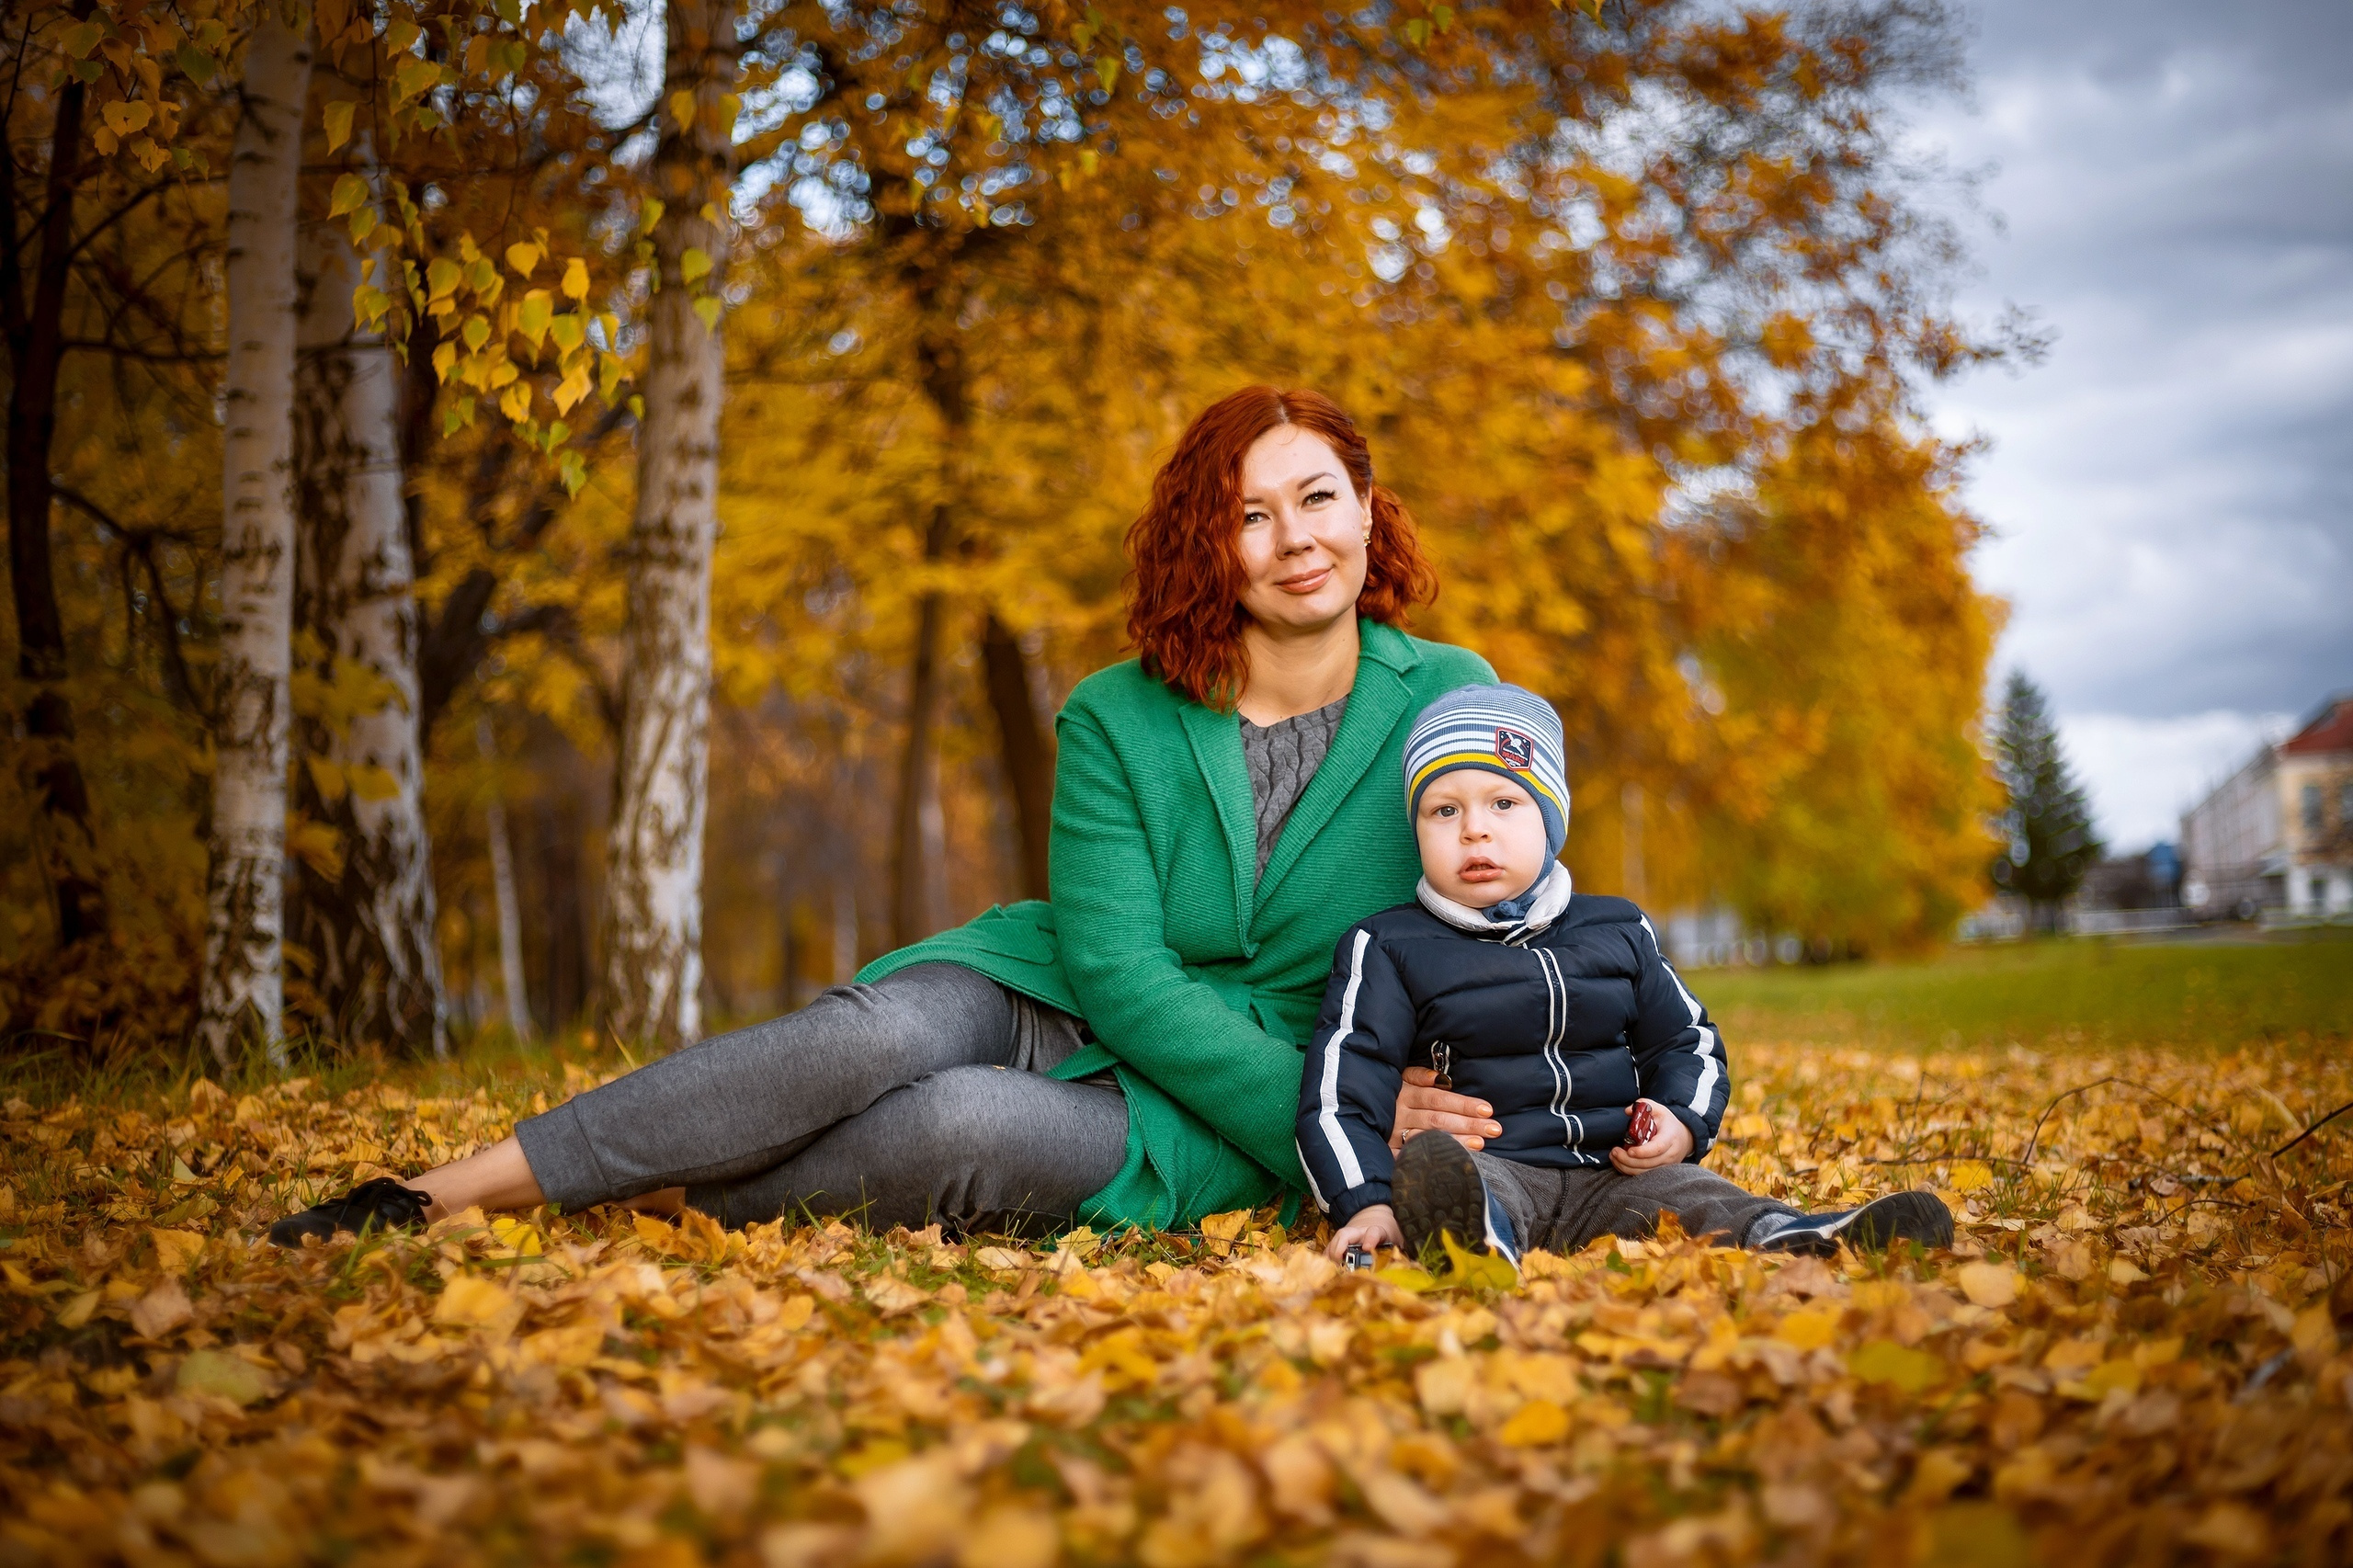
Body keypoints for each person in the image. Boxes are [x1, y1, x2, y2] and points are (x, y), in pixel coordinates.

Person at [269, 386, 1510, 1247]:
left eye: (1318, 499)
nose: (1294, 539)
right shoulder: (1113, 712)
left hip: (1252, 1089)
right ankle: (439, 1194)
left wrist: (1366, 1106)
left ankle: (671, 1192)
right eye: (1251, 513)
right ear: (1210, 541)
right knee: (862, 1040)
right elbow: (1121, 970)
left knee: (952, 1124)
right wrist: (1342, 1114)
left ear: (1365, 507)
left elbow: (1502, 909)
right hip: (1063, 983)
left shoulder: (1452, 696)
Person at [1302, 683, 1955, 1267]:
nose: (1475, 831)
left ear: (1549, 818)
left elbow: (1687, 1040)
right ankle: (1476, 1248)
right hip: (1496, 1166)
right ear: (1417, 829)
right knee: (1452, 1180)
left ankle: (1802, 1236)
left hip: (1615, 1176)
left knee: (1697, 1194)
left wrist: (1680, 1120)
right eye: (1444, 811)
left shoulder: (1617, 930)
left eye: (1504, 803)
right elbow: (1341, 1092)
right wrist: (1364, 1201)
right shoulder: (1387, 946)